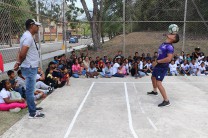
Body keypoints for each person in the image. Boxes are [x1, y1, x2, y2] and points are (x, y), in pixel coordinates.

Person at [13, 19, 44, 118]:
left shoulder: (26, 36)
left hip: (30, 66)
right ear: (31, 26)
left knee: (31, 88)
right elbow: (22, 53)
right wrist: (19, 63)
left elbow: (19, 51)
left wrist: (18, 62)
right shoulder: (28, 37)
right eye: (36, 25)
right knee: (30, 91)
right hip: (30, 67)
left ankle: (32, 107)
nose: (38, 27)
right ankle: (32, 113)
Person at [147, 33, 179, 107]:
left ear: (173, 39)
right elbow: (160, 54)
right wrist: (155, 61)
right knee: (153, 77)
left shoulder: (170, 47)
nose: (171, 34)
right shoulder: (164, 44)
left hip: (162, 66)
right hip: (158, 64)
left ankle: (166, 100)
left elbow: (169, 59)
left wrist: (157, 62)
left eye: (172, 34)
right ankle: (155, 91)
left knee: (159, 83)